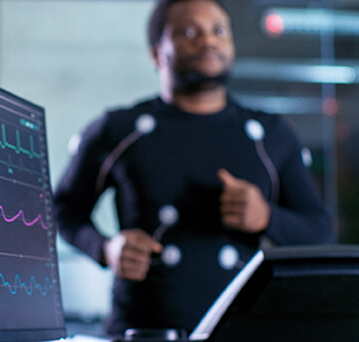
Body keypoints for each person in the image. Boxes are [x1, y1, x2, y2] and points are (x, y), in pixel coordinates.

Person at [53, 0, 334, 336]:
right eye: (189, 32)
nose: (208, 40)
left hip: (242, 331)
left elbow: (319, 230)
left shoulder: (272, 134)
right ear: (157, 53)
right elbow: (62, 209)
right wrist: (106, 248)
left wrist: (267, 218)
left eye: (219, 31)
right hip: (140, 332)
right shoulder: (117, 129)